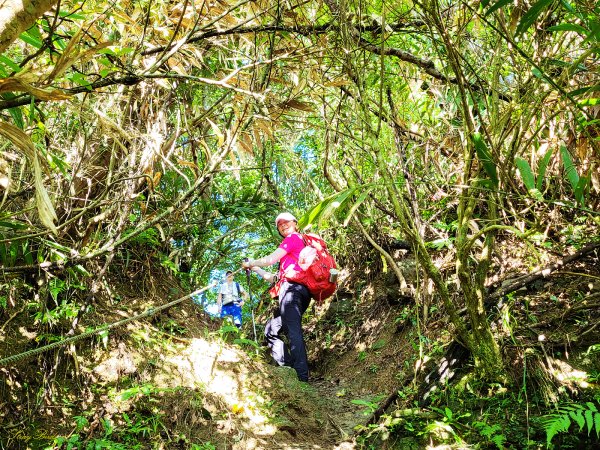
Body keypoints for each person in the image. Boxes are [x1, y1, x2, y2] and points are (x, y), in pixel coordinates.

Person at [242, 212, 311, 382]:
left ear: (295, 223)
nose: (283, 225)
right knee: (271, 330)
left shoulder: (294, 238)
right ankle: (288, 367)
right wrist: (256, 269)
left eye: (286, 222)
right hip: (295, 291)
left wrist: (252, 262)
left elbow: (270, 259)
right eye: (279, 224)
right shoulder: (291, 257)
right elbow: (274, 278)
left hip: (292, 291)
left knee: (293, 330)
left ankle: (301, 377)